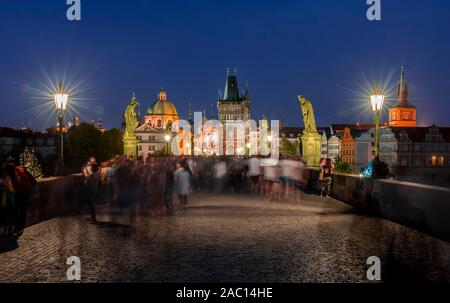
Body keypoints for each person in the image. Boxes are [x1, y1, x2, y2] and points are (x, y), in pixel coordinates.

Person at [82, 157, 98, 223]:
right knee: (90, 202)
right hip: (93, 188)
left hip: (91, 188)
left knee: (91, 203)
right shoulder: (96, 173)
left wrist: (83, 169)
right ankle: (93, 216)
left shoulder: (92, 174)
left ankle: (94, 217)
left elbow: (86, 177)